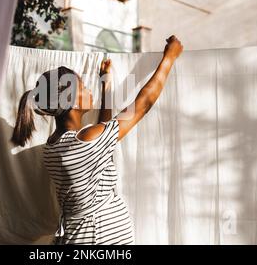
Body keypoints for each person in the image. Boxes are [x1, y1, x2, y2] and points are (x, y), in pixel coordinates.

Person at [11, 35, 184, 244]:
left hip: (81, 235)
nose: (88, 90)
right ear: (72, 101)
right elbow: (142, 105)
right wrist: (169, 58)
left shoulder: (53, 146)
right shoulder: (86, 141)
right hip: (98, 238)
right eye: (83, 87)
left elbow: (99, 135)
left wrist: (105, 86)